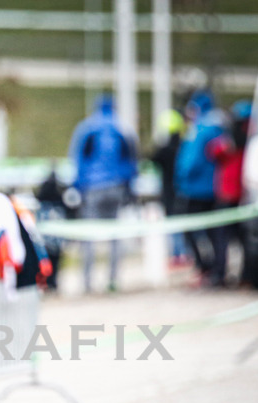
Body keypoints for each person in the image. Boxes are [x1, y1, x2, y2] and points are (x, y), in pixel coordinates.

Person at [68, 93, 138, 294]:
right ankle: (113, 280)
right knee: (115, 236)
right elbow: (132, 161)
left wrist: (77, 186)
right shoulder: (122, 128)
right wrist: (129, 187)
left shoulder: (87, 127)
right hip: (117, 188)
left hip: (92, 188)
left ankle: (87, 282)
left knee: (89, 236)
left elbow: (77, 159)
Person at [174, 89, 226, 287]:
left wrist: (181, 178)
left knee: (190, 229)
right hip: (214, 188)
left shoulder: (199, 128)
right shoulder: (219, 126)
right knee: (215, 233)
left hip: (195, 189)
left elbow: (190, 160)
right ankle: (217, 271)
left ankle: (205, 267)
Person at [206, 100, 251, 287]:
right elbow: (213, 151)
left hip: (232, 194)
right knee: (240, 239)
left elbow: (214, 151)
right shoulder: (235, 139)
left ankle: (222, 274)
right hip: (238, 193)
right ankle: (241, 275)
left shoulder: (238, 140)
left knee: (225, 237)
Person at [150, 108, 188, 267]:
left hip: (170, 191)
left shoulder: (165, 150)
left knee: (175, 224)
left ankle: (179, 254)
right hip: (185, 191)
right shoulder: (185, 146)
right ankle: (182, 253)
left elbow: (152, 159)